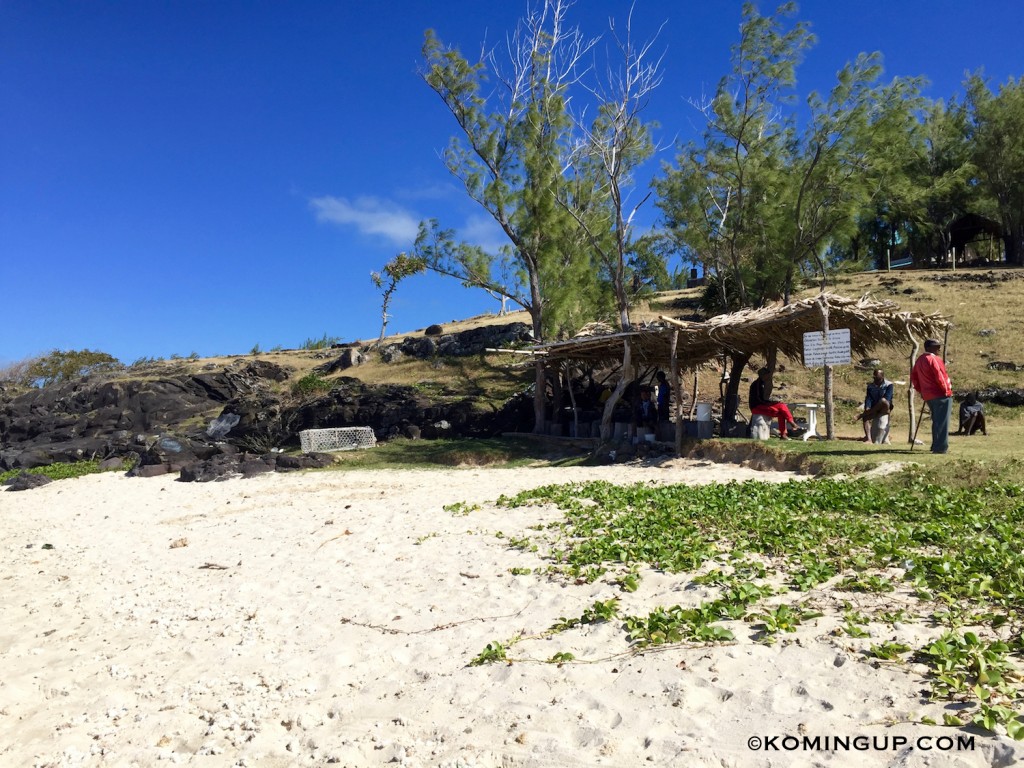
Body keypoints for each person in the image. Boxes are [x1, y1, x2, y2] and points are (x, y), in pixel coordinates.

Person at [910, 338, 953, 454]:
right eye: (936, 346)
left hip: (928, 395)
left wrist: (922, 391)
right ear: (929, 348)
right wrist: (947, 391)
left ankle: (936, 445)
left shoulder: (919, 360)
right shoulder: (934, 359)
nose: (939, 348)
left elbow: (914, 378)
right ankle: (941, 447)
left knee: (936, 420)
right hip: (940, 394)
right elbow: (941, 376)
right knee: (943, 421)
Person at [749, 367, 805, 440]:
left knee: (781, 413)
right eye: (767, 375)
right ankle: (792, 424)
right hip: (757, 407)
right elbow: (758, 399)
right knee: (782, 406)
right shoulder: (757, 384)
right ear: (763, 375)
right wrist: (769, 403)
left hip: (761, 405)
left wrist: (770, 402)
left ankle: (783, 434)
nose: (768, 376)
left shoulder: (761, 383)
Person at [856, 369, 893, 443]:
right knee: (865, 418)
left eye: (878, 378)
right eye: (875, 378)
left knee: (883, 401)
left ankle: (861, 415)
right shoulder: (870, 386)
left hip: (885, 407)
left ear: (882, 377)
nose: (876, 380)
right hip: (875, 408)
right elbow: (868, 398)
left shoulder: (889, 385)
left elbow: (888, 398)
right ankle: (868, 438)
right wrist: (867, 406)